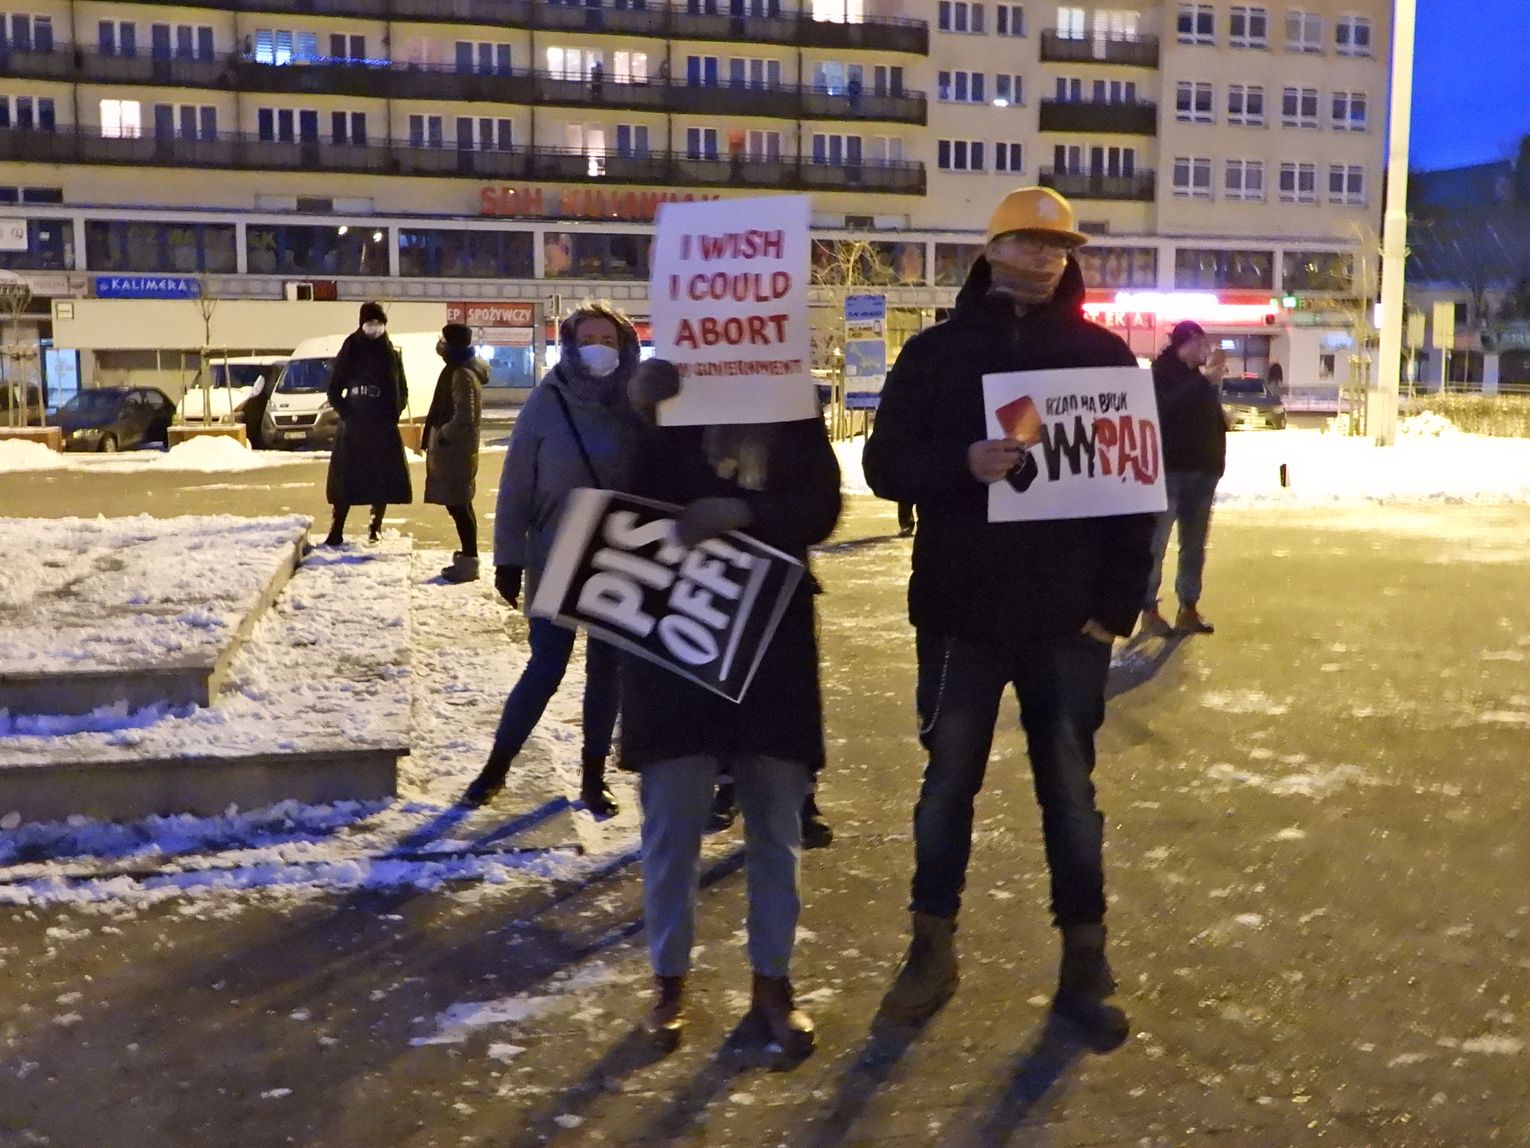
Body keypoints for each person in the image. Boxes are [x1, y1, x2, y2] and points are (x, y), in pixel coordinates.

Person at [862, 186, 1156, 1045]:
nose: (1045, 257)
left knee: (1070, 793)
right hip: (961, 613)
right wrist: (962, 462)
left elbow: (1134, 495)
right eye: (1027, 242)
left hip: (1069, 622)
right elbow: (884, 466)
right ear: (990, 250)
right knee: (946, 786)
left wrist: (1115, 606)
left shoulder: (1102, 358)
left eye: (1058, 247)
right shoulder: (937, 354)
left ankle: (1085, 960)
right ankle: (930, 948)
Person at [621, 359, 842, 1055]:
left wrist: (750, 513)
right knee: (671, 825)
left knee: (776, 823)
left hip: (770, 641)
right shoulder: (667, 395)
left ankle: (773, 983)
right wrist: (641, 414)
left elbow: (822, 508)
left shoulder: (788, 401)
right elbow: (619, 505)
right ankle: (669, 984)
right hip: (675, 636)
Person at [461, 303, 644, 816]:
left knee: (607, 669)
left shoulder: (637, 404)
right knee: (546, 665)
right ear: (569, 346)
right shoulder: (548, 401)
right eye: (588, 340)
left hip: (616, 556)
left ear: (625, 346)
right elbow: (516, 482)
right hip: (554, 552)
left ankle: (593, 777)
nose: (598, 349)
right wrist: (508, 559)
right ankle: (496, 767)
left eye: (608, 340)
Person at [1140, 321, 1227, 637]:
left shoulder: (1202, 378)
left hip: (1203, 472)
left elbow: (1213, 420)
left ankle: (1188, 607)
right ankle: (1148, 609)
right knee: (1156, 544)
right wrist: (1203, 381)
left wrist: (1217, 463)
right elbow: (1163, 410)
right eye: (1199, 342)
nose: (1205, 348)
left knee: (1193, 544)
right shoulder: (1160, 374)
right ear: (1183, 343)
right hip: (1168, 471)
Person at [321, 302, 412, 546]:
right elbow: (334, 388)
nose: (375, 328)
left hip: (382, 420)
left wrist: (395, 411)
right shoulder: (351, 347)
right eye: (371, 323)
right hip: (356, 418)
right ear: (362, 324)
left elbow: (401, 386)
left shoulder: (390, 351)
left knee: (381, 474)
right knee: (346, 475)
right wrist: (347, 413)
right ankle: (337, 527)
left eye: (379, 323)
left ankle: (375, 525)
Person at [423, 323, 486, 583]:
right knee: (460, 504)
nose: (440, 344)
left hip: (455, 451)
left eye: (443, 340)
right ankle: (467, 558)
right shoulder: (460, 369)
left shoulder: (462, 373)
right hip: (456, 450)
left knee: (459, 506)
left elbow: (464, 417)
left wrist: (443, 434)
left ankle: (469, 562)